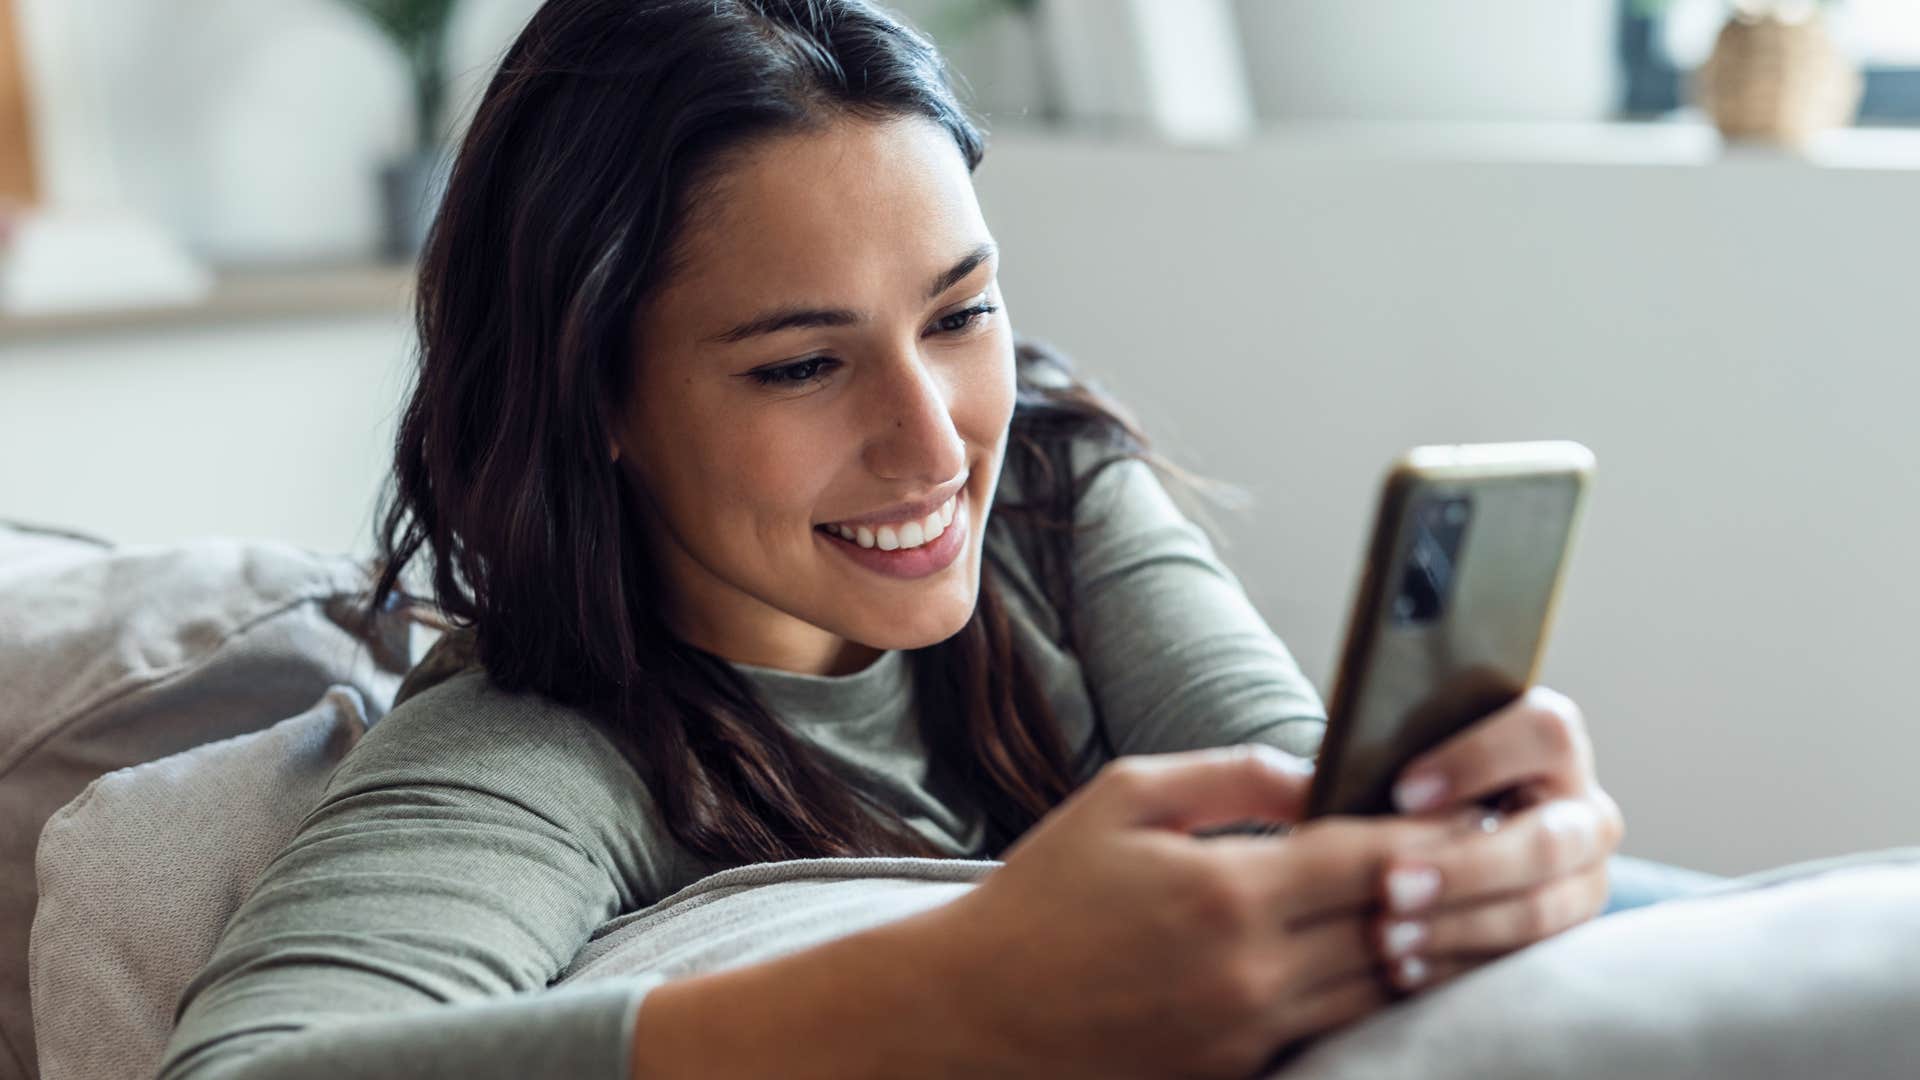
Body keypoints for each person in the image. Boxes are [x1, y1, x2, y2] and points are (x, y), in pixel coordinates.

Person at [156, 2, 1699, 1077]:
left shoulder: (1052, 487)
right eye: (800, 364)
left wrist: (1488, 865)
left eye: (960, 313)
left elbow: (1293, 788)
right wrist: (952, 997)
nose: (937, 436)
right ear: (596, 397)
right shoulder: (548, 745)